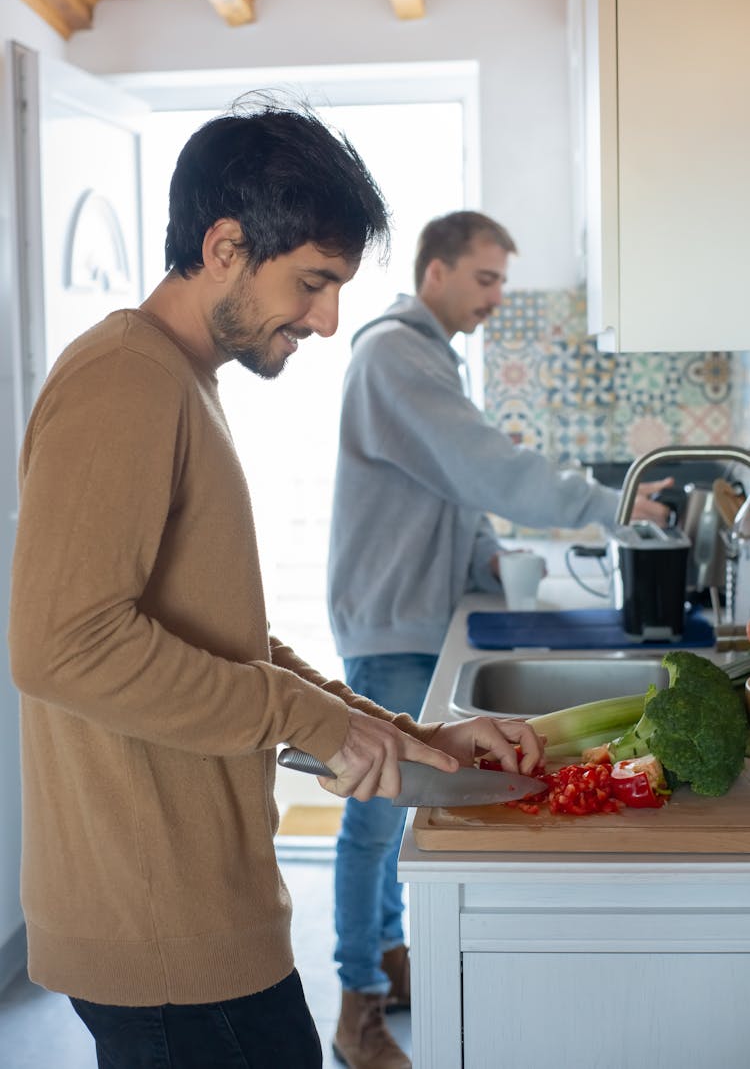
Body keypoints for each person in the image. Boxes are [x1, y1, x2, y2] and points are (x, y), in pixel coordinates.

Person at [7, 118, 545, 1069]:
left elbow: (233, 644)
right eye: (312, 282)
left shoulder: (177, 380)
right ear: (224, 248)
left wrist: (408, 739)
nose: (328, 320)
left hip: (198, 913)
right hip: (164, 930)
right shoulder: (124, 383)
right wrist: (319, 721)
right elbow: (62, 645)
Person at [326, 210, 672, 1066]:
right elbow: (486, 467)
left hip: (411, 609)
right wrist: (615, 506)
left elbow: (446, 490)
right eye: (485, 279)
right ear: (435, 272)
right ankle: (356, 1001)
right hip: (393, 617)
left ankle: (388, 959)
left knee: (391, 803)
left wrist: (486, 553)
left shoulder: (424, 356)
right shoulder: (393, 355)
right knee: (376, 813)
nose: (494, 298)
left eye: (502, 283)